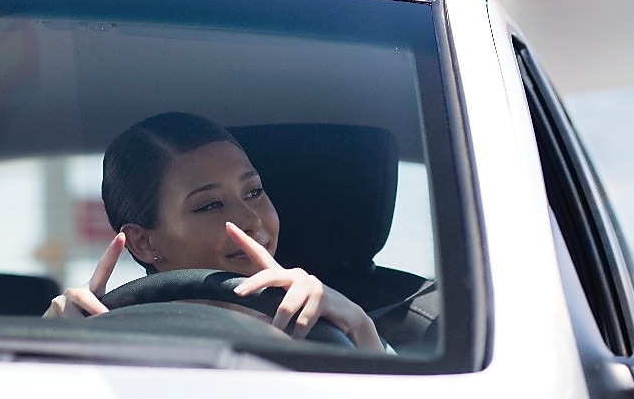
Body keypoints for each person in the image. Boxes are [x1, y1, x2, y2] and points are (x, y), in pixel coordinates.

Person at [43, 112, 383, 351]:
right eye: (209, 206)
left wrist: (359, 330)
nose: (251, 219)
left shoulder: (332, 330)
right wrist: (51, 351)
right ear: (144, 242)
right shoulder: (104, 344)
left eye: (254, 192)